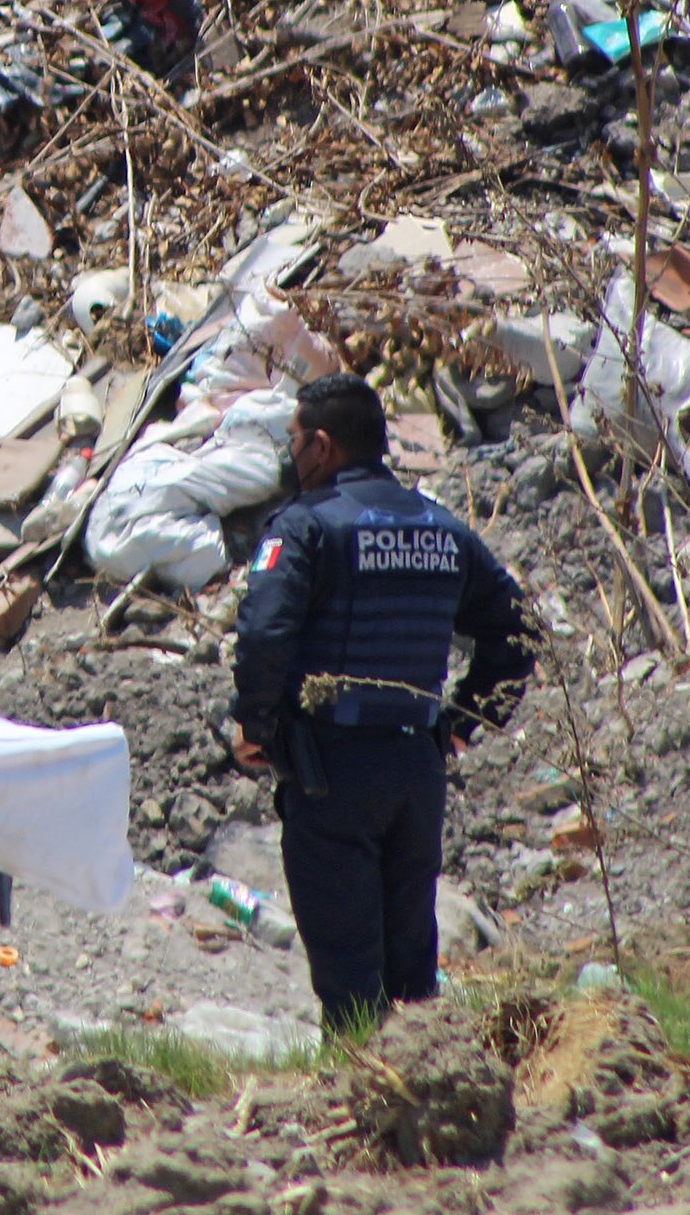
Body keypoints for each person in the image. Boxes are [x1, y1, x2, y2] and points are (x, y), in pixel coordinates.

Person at [227, 375, 539, 1030]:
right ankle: (427, 1095)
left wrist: (256, 725)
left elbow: (262, 632)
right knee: (412, 977)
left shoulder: (307, 527)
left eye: (293, 441)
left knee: (349, 983)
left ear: (320, 445)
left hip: (331, 773)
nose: (291, 456)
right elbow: (518, 629)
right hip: (416, 771)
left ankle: (361, 1104)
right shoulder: (441, 527)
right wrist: (464, 721)